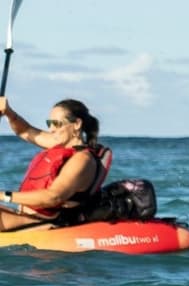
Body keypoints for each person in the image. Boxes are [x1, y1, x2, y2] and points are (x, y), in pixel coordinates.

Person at [0, 97, 112, 231]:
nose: (51, 129)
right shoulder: (60, 145)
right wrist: (8, 112)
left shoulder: (82, 159)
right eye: (49, 123)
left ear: (76, 124)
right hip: (25, 215)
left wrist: (3, 196)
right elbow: (25, 131)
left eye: (57, 124)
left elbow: (54, 197)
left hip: (41, 221)